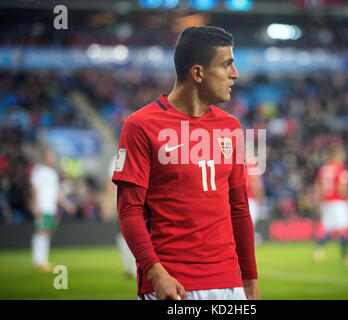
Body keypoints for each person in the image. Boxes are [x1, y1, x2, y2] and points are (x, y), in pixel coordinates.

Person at [112, 26, 259, 300]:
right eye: (227, 64)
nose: (235, 74)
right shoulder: (140, 126)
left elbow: (239, 209)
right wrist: (156, 274)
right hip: (171, 286)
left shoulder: (231, 127)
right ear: (198, 73)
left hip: (229, 285)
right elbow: (129, 211)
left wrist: (250, 281)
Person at [30, 148, 76, 271]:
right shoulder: (38, 171)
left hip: (51, 207)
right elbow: (34, 189)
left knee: (47, 232)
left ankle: (42, 260)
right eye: (50, 156)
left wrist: (67, 205)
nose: (52, 159)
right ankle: (38, 260)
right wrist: (36, 205)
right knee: (42, 231)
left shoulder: (53, 173)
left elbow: (57, 193)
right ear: (45, 157)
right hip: (42, 206)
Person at [313, 146, 348, 265]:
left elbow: (318, 186)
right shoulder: (342, 169)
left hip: (327, 202)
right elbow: (342, 188)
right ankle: (346, 255)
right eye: (342, 155)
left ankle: (318, 248)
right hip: (339, 203)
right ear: (336, 156)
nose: (344, 158)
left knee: (328, 229)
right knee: (345, 229)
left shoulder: (323, 169)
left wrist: (320, 201)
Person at [101, 156, 137, 278]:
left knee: (125, 233)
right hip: (133, 200)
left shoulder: (120, 156)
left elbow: (111, 181)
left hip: (125, 201)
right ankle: (131, 266)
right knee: (129, 233)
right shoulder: (128, 155)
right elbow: (112, 181)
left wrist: (107, 201)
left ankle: (130, 266)